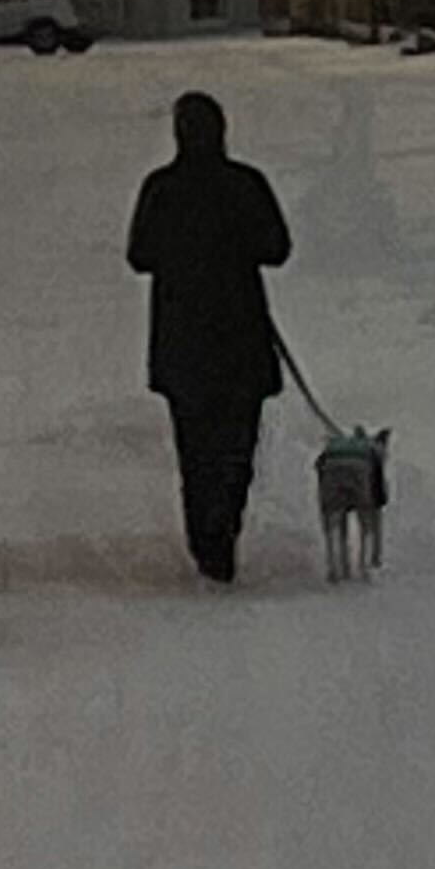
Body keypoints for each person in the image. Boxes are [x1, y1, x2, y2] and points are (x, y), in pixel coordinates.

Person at [125, 90, 294, 584]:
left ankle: (207, 538)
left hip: (182, 342)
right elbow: (276, 248)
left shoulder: (161, 188)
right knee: (237, 445)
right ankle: (226, 527)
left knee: (195, 448)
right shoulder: (246, 184)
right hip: (241, 337)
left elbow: (139, 255)